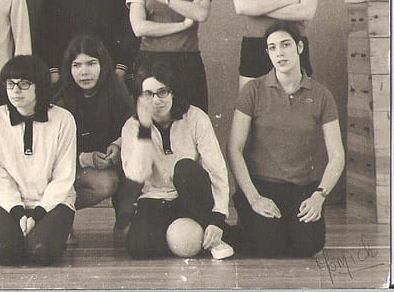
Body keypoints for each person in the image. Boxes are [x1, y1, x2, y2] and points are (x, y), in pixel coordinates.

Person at [227, 21, 344, 257]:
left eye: (285, 45)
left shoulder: (322, 95)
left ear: (299, 47)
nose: (279, 53)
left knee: (309, 246)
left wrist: (319, 196)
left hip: (302, 187)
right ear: (267, 53)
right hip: (261, 186)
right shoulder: (253, 90)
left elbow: (337, 154)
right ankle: (231, 230)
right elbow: (234, 148)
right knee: (269, 245)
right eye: (272, 48)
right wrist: (254, 198)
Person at [121, 62, 233, 259]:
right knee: (138, 247)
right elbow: (136, 174)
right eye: (148, 94)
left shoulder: (196, 117)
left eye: (162, 92)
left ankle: (212, 234)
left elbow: (216, 169)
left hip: (191, 197)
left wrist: (217, 218)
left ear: (173, 92)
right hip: (156, 198)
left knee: (185, 167)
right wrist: (144, 129)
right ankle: (187, 238)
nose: (156, 100)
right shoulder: (132, 126)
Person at [0, 55, 77, 266]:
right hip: (11, 204)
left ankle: (49, 234)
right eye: (11, 84)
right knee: (2, 251)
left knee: (42, 251)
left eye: (24, 84)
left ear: (40, 86)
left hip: (52, 203)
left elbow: (64, 175)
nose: (16, 90)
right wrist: (18, 213)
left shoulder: (63, 119)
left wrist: (38, 214)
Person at [54, 34, 138, 243]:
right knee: (104, 183)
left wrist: (118, 145)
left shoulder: (116, 89)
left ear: (103, 64)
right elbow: (52, 151)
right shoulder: (61, 98)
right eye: (77, 65)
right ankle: (56, 217)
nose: (84, 72)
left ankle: (124, 219)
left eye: (91, 63)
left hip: (109, 161)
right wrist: (85, 158)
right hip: (72, 167)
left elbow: (133, 126)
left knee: (135, 157)